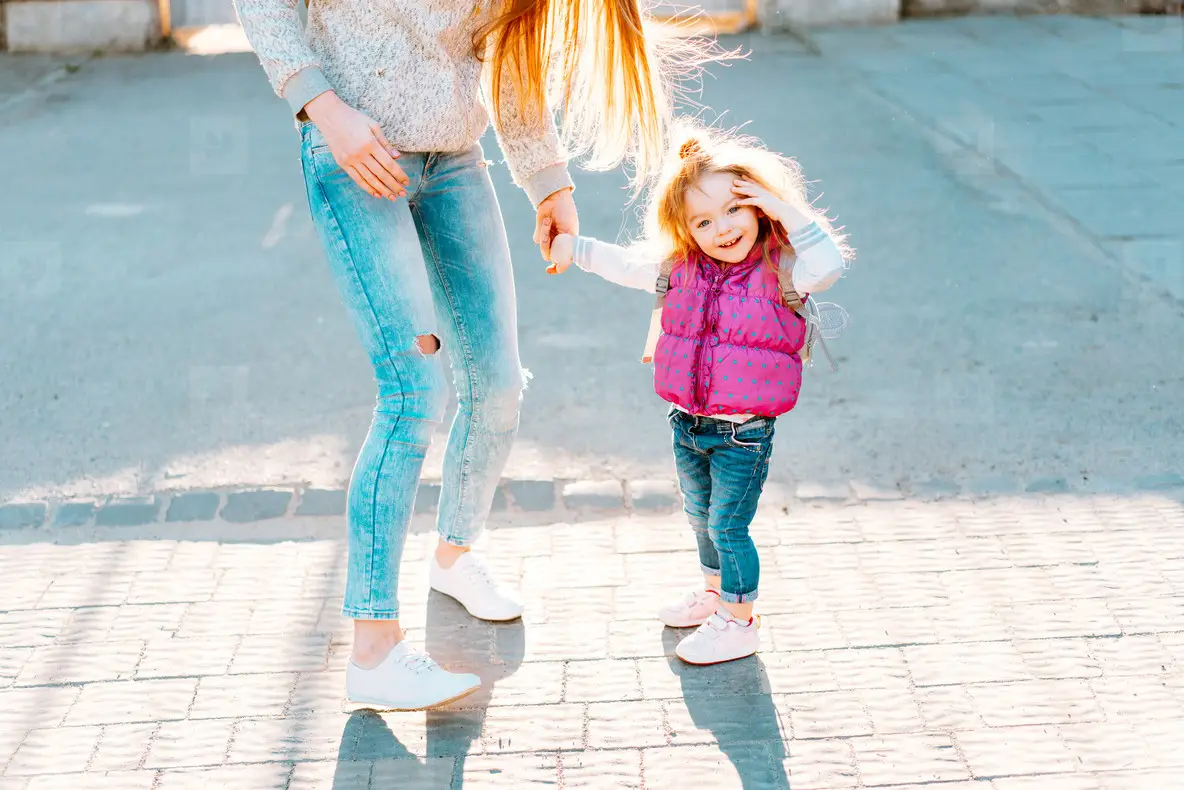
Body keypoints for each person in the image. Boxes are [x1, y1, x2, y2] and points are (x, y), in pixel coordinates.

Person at [233, 0, 696, 708]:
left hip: (454, 162)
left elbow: (510, 59)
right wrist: (324, 109)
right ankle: (373, 650)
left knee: (498, 387)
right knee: (413, 395)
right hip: (353, 154)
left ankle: (453, 556)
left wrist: (549, 182)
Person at [547, 121, 853, 665]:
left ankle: (739, 621)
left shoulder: (785, 269)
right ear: (685, 229)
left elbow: (830, 265)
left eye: (735, 209)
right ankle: (716, 594)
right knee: (700, 517)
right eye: (703, 221)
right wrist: (575, 246)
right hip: (687, 423)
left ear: (759, 208)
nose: (722, 228)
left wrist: (785, 209)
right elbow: (624, 264)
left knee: (727, 526)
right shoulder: (680, 268)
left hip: (744, 433)